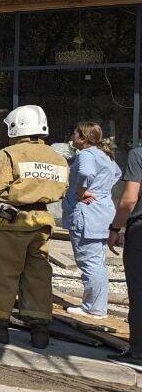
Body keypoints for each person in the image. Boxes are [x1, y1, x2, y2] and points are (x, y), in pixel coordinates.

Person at [0, 105, 69, 349]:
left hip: (11, 222)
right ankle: (39, 330)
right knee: (38, 274)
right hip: (42, 223)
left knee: (3, 273)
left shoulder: (7, 155)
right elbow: (62, 189)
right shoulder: (57, 157)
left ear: (16, 127)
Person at [63, 122, 120, 320]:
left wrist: (81, 191)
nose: (72, 135)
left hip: (87, 214)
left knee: (89, 262)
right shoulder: (105, 155)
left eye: (75, 133)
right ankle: (98, 306)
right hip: (103, 212)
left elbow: (86, 173)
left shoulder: (86, 154)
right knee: (98, 262)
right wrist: (102, 191)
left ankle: (93, 308)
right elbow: (117, 174)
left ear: (84, 137)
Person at [106, 144, 142, 371]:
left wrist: (115, 228)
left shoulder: (138, 154)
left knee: (138, 292)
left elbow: (129, 199)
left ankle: (138, 351)